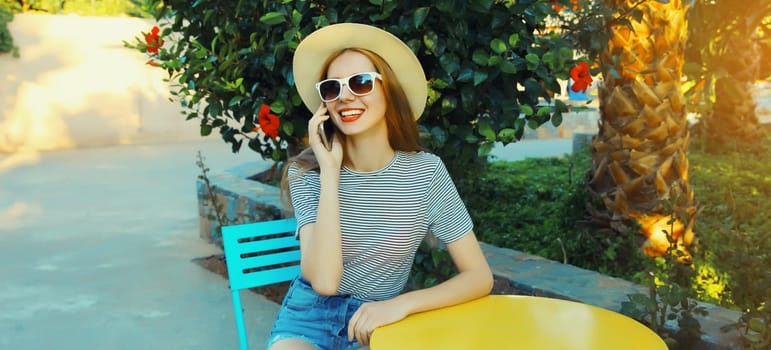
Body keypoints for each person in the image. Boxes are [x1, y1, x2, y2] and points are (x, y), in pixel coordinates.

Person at [269, 23, 493, 350]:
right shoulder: (307, 172)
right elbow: (325, 282)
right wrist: (330, 173)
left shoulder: (426, 172)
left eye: (360, 83)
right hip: (308, 317)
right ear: (324, 105)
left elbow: (478, 276)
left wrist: (400, 304)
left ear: (388, 90)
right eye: (332, 88)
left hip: (376, 321)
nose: (345, 96)